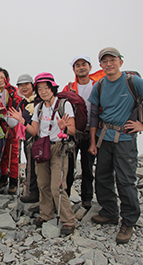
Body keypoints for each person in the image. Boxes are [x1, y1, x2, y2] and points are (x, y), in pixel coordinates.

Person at [88, 47, 143, 244]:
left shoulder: (132, 81)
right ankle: (110, 212)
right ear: (101, 65)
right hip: (105, 138)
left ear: (120, 62)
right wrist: (93, 142)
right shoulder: (100, 85)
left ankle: (128, 221)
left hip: (125, 140)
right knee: (103, 178)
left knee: (125, 181)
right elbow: (94, 115)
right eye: (105, 61)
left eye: (112, 60)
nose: (109, 64)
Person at [9, 72, 77, 236]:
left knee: (57, 187)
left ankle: (68, 220)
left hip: (59, 148)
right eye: (40, 89)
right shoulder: (39, 108)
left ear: (53, 88)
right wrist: (22, 121)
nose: (43, 91)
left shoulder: (64, 105)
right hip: (42, 148)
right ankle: (46, 215)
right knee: (42, 184)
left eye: (46, 88)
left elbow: (73, 130)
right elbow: (34, 130)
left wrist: (64, 127)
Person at [62, 55, 105, 209]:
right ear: (73, 69)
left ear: (90, 67)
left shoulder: (99, 85)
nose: (81, 67)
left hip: (93, 132)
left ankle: (87, 198)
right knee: (69, 167)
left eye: (83, 64)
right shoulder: (69, 88)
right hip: (74, 133)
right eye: (77, 65)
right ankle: (64, 197)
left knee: (88, 166)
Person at [0, 68, 21, 194]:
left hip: (12, 125)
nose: (0, 80)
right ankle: (3, 177)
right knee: (1, 153)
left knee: (12, 152)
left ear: (7, 78)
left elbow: (18, 103)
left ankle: (14, 180)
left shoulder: (13, 91)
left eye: (2, 77)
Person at [16, 74, 40, 203]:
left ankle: (42, 193)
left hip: (41, 138)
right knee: (30, 164)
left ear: (32, 85)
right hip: (28, 139)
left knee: (41, 166)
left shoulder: (40, 100)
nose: (23, 87)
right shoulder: (22, 103)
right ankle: (33, 192)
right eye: (20, 85)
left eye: (26, 84)